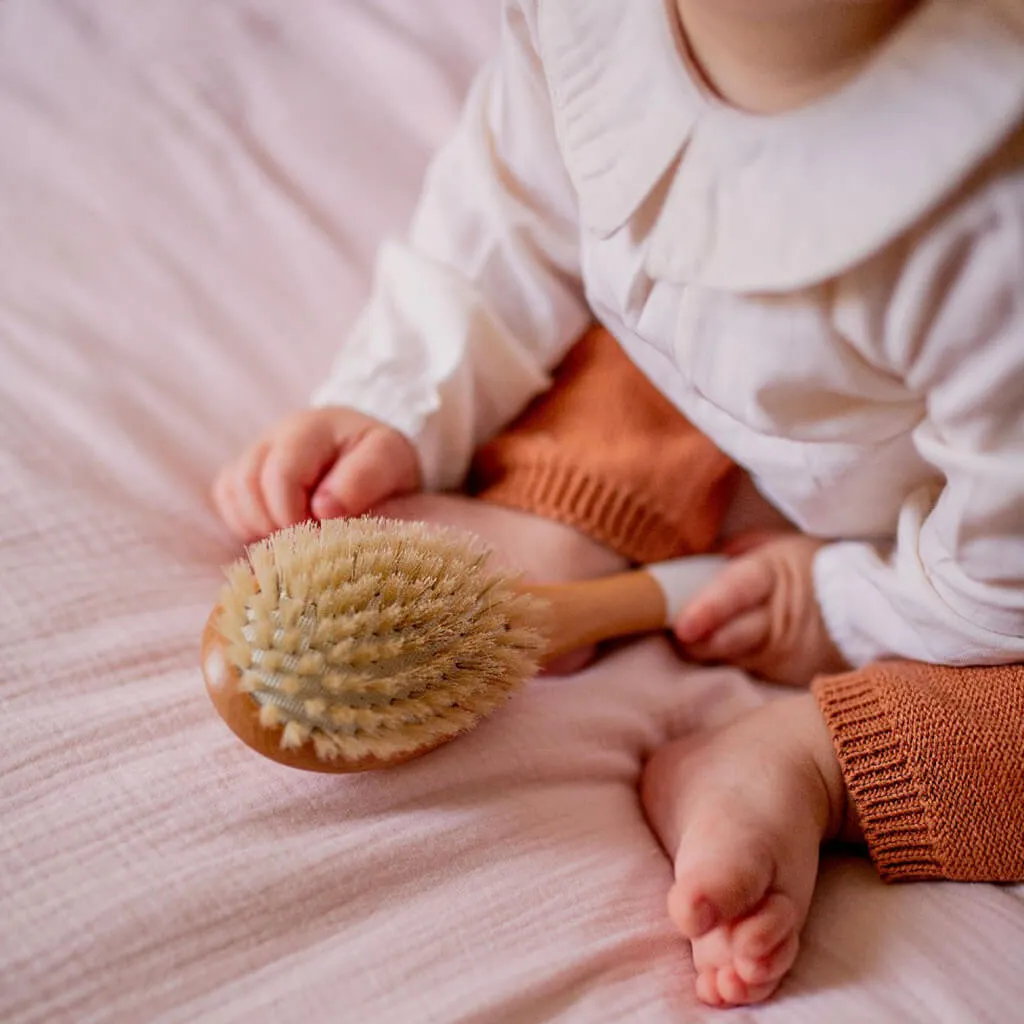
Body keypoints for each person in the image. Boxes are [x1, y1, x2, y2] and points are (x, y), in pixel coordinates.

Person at [213, 0, 1024, 1006]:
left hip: (985, 547)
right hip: (772, 380)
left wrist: (836, 604)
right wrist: (395, 396)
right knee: (648, 304)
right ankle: (571, 510)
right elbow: (512, 206)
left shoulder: (991, 216)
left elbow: (1002, 582)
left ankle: (815, 765)